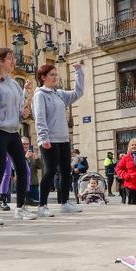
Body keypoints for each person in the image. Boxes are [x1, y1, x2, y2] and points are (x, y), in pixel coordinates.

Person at [0, 47, 35, 224]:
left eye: (13, 57)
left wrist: (24, 111)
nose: (13, 61)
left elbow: (19, 110)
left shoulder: (13, 83)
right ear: (0, 61)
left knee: (22, 169)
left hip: (13, 132)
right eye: (10, 58)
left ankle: (20, 208)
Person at [32, 61, 85, 216]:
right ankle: (42, 206)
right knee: (49, 171)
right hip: (49, 140)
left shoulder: (59, 94)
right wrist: (43, 137)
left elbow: (78, 93)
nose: (55, 77)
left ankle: (64, 203)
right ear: (43, 77)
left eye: (56, 74)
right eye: (52, 75)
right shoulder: (39, 95)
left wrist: (78, 72)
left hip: (63, 139)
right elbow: (39, 117)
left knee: (65, 171)